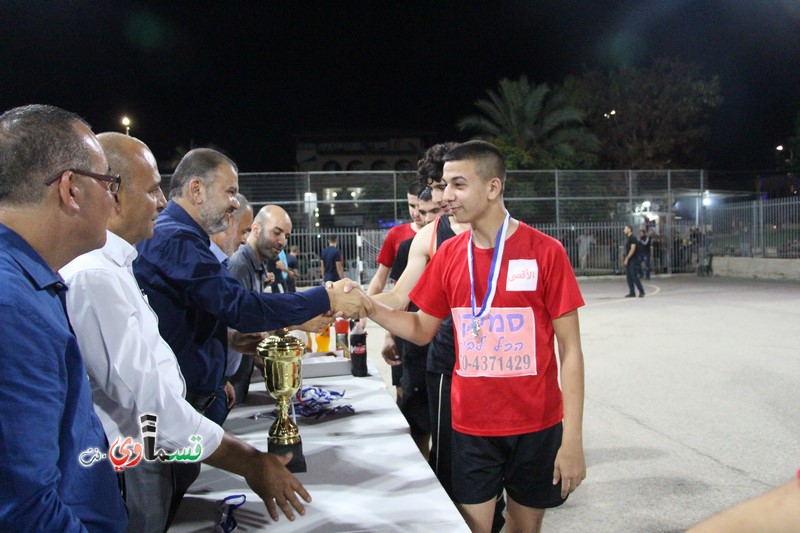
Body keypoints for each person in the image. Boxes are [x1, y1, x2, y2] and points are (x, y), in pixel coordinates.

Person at [60, 133, 311, 531]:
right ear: (112, 194)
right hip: (135, 460)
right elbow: (153, 410)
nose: (161, 202)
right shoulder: (95, 276)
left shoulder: (116, 266)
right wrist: (248, 461)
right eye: (152, 190)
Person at [364, 140, 586, 533]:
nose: (446, 196)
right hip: (470, 426)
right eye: (444, 185)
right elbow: (420, 328)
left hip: (536, 424)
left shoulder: (546, 252)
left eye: (458, 185)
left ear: (493, 188)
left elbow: (570, 352)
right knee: (471, 528)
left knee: (525, 528)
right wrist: (370, 309)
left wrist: (572, 442)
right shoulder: (449, 254)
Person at [132, 148, 364, 515]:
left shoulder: (186, 239)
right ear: (196, 190)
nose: (235, 203)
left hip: (191, 407)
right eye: (229, 192)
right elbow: (239, 306)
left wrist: (224, 342)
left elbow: (188, 314)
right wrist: (324, 296)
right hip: (169, 416)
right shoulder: (175, 238)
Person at [0, 104, 127, 531]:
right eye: (109, 182)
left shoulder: (28, 282)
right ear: (71, 189)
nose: (114, 198)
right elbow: (22, 509)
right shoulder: (11, 305)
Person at [384, 188, 443, 458]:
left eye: (435, 210)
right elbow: (396, 296)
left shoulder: (472, 243)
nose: (427, 217)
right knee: (418, 424)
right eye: (422, 210)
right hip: (417, 343)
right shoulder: (409, 245)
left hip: (455, 348)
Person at [367, 181, 427, 296]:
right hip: (402, 307)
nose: (416, 213)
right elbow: (380, 278)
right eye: (412, 206)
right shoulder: (396, 234)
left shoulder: (442, 232)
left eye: (420, 207)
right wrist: (367, 304)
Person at [623, 224, 645, 297]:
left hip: (634, 259)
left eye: (625, 229)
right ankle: (632, 292)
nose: (624, 230)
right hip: (630, 260)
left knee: (634, 276)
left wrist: (627, 258)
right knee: (629, 277)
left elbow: (633, 249)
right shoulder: (628, 238)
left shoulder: (633, 238)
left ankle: (641, 291)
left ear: (629, 229)